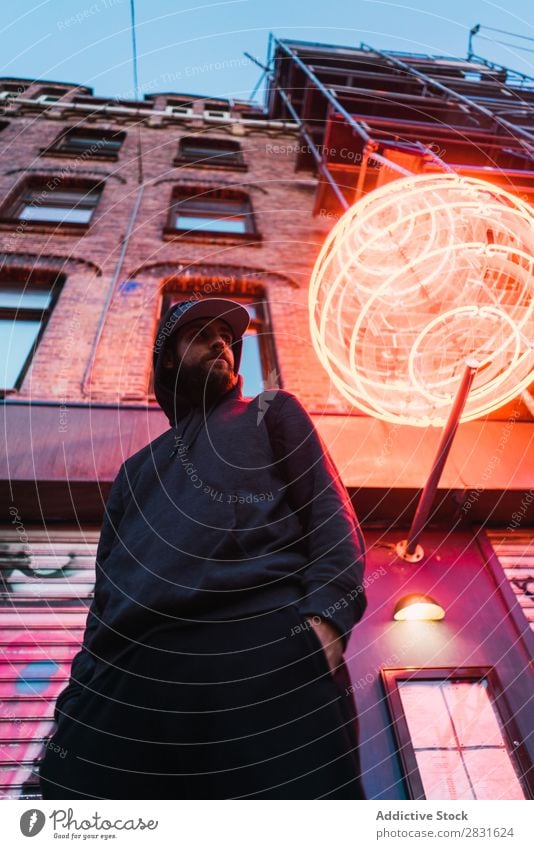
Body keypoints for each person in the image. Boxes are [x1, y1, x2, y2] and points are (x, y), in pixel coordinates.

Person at [39, 297, 367, 800]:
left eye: (229, 339)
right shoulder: (134, 471)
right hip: (126, 677)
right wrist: (77, 704)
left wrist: (322, 628)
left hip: (259, 652)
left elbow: (330, 518)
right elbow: (103, 597)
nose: (223, 344)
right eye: (204, 332)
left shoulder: (271, 410)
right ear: (168, 356)